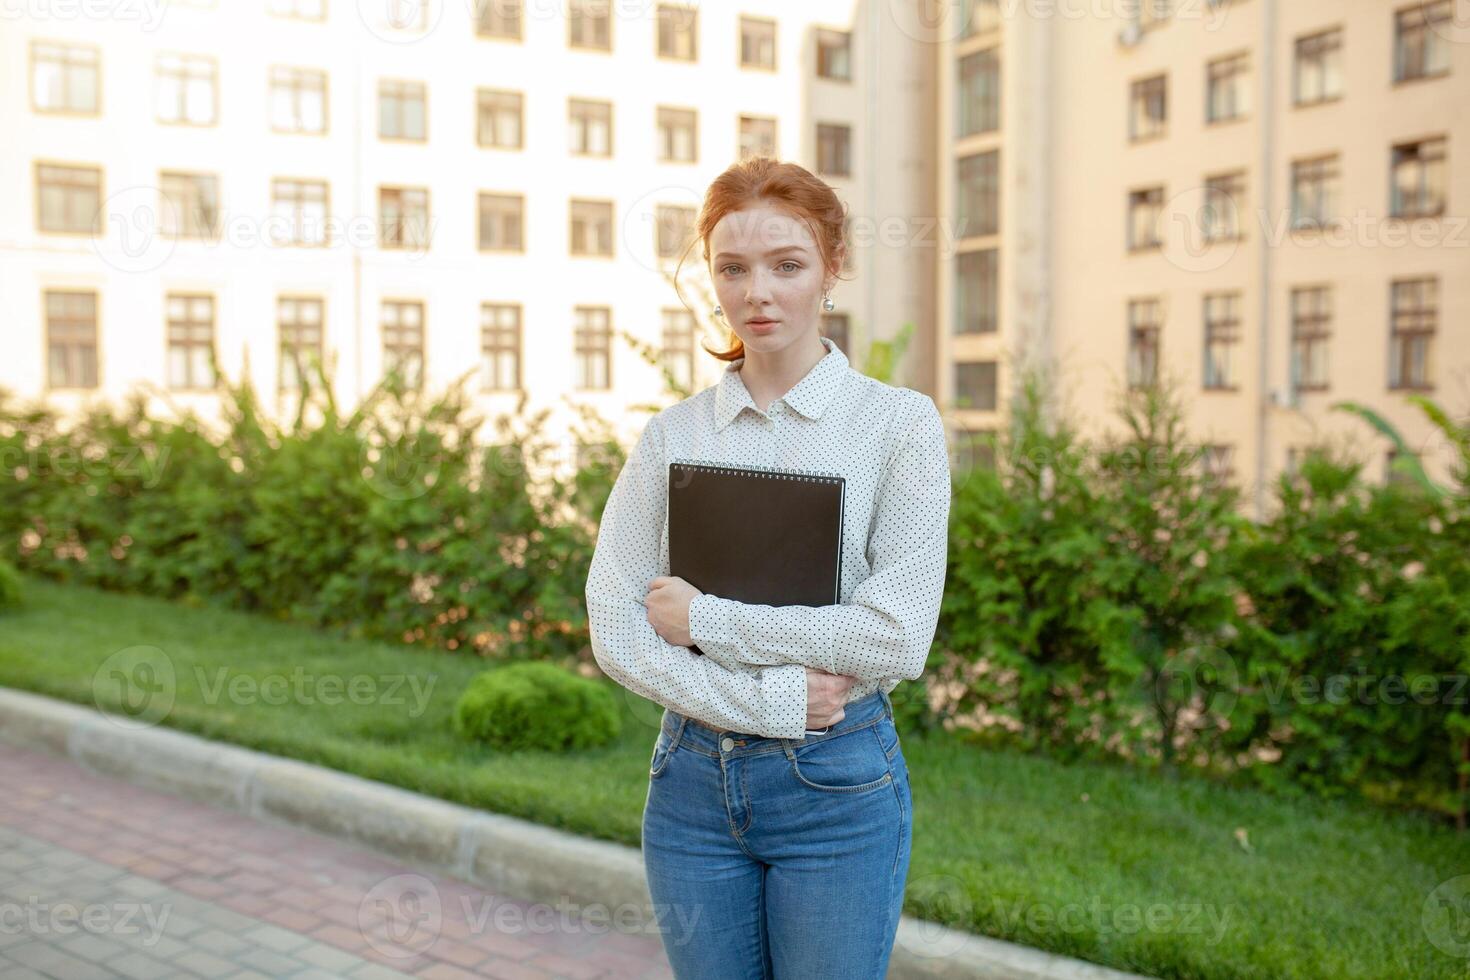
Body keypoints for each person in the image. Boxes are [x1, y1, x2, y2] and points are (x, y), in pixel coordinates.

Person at [585, 157, 952, 979]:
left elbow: (894, 639)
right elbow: (614, 624)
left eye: (787, 265)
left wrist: (705, 620)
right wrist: (771, 697)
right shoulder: (674, 437)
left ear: (832, 268)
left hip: (837, 790)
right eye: (733, 268)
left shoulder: (898, 427)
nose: (759, 293)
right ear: (711, 278)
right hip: (688, 788)